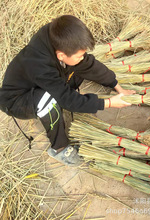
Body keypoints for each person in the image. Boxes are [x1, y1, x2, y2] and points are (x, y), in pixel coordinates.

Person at [0, 15, 135, 166]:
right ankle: (59, 148)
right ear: (61, 55)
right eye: (79, 55)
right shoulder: (40, 65)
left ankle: (68, 101)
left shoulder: (58, 37)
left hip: (39, 83)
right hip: (17, 99)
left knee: (77, 69)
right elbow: (67, 99)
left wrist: (117, 86)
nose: (82, 58)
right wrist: (108, 103)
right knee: (48, 101)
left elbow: (88, 64)